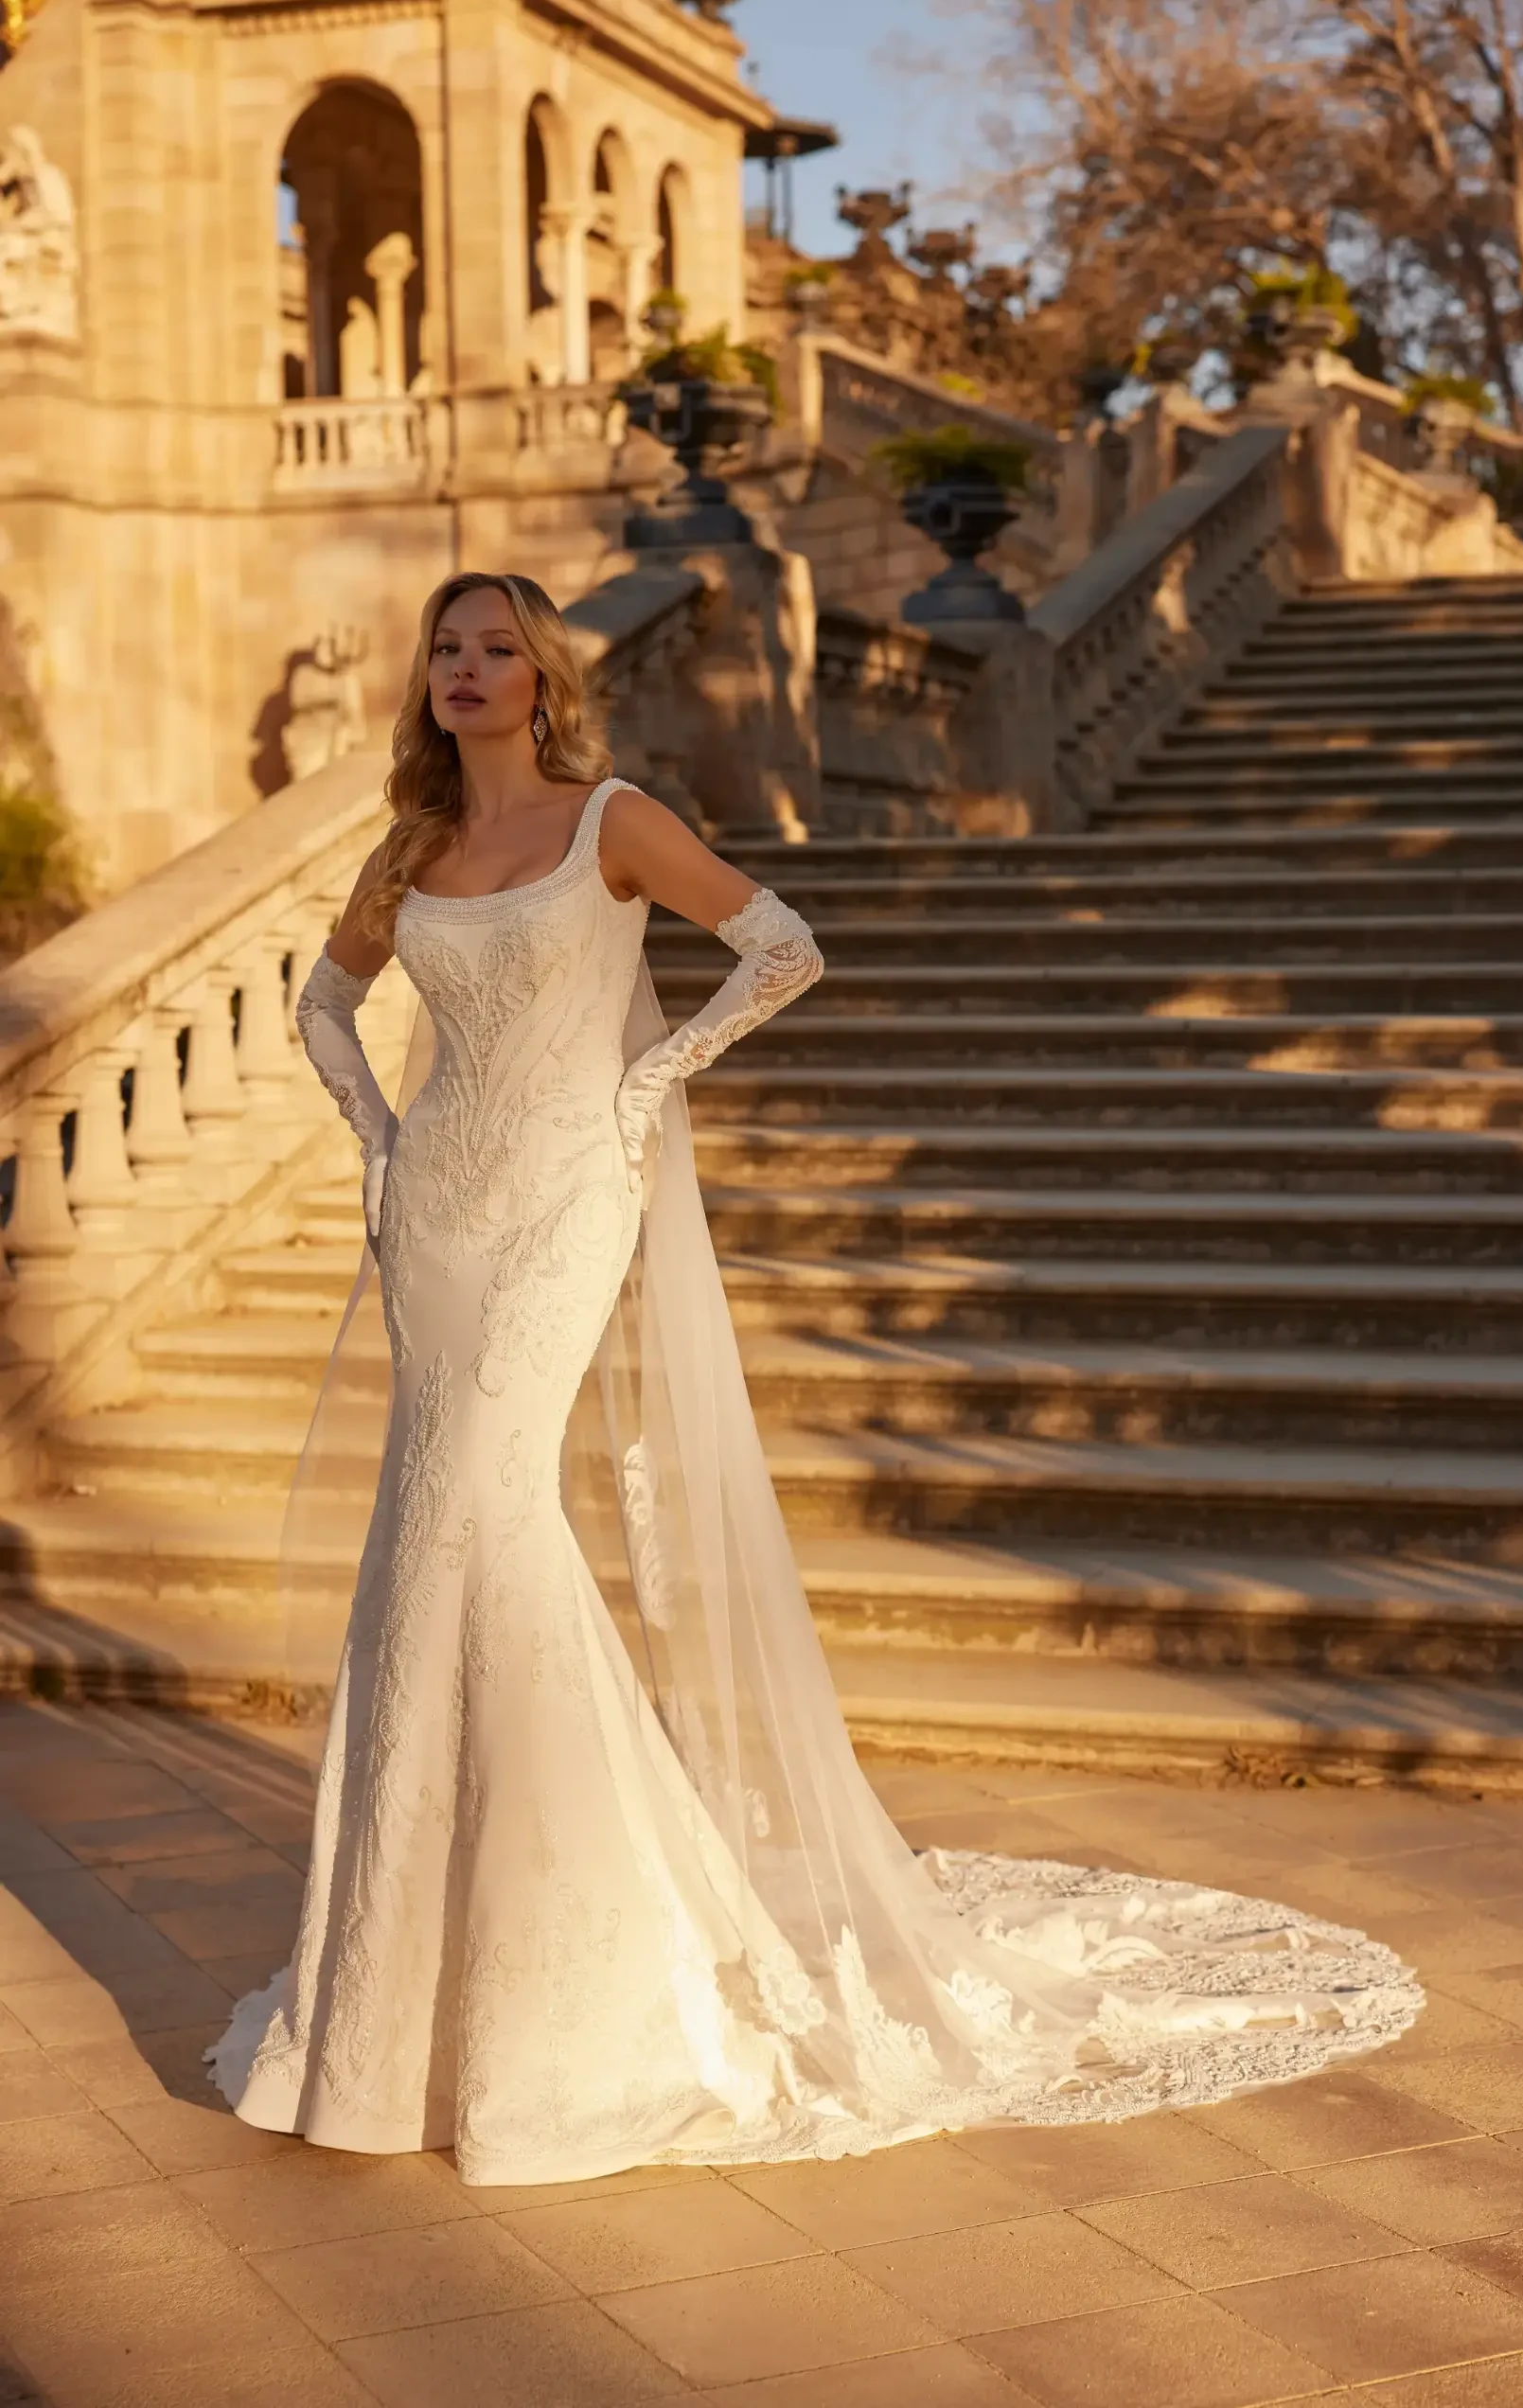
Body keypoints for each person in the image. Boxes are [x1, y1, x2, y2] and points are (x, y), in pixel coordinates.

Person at [209, 570, 1422, 2185]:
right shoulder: (412, 851)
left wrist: (646, 1085)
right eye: (447, 647)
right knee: (422, 1543)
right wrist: (377, 1145)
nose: (468, 668)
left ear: (545, 674)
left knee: (486, 1519)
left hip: (571, 1195)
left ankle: (580, 1969)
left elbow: (779, 947)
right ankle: (393, 1988)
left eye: (498, 646)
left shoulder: (610, 818)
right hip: (435, 1208)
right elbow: (324, 1002)